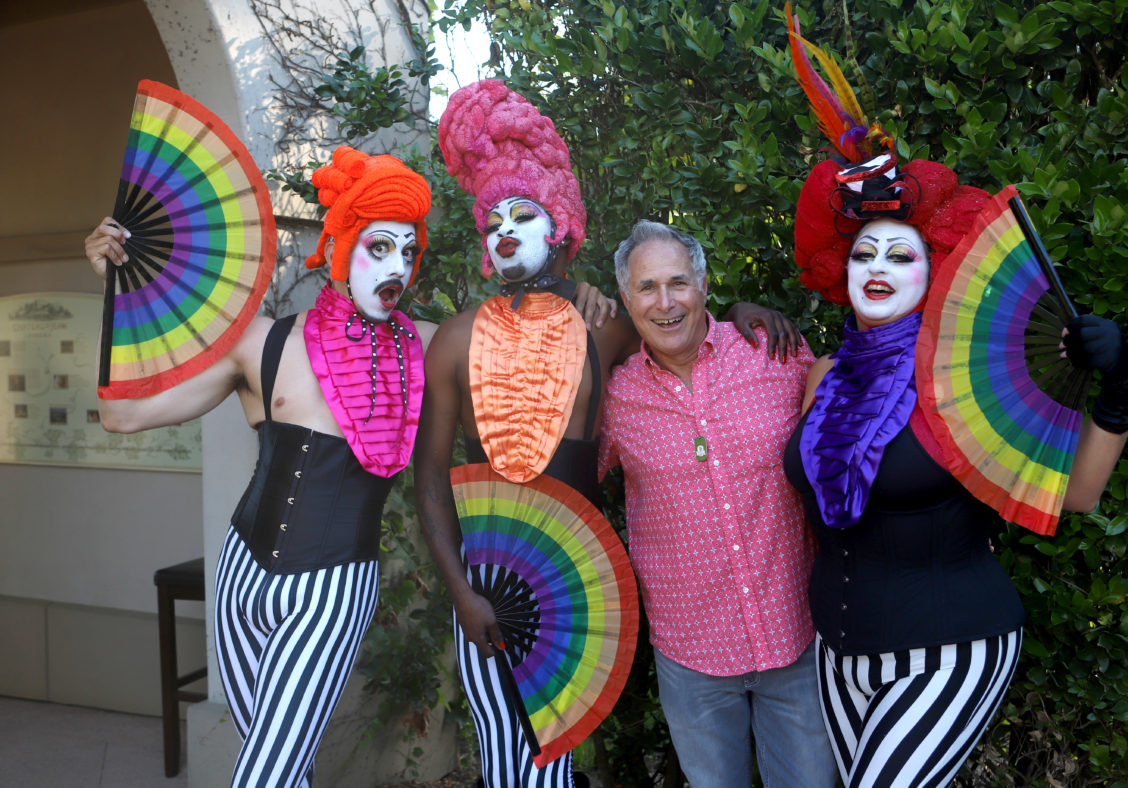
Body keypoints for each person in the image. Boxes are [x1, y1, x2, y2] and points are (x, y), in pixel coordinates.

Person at [416, 80, 794, 788]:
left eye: (523, 213)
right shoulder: (455, 341)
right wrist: (461, 591)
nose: (505, 230)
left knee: (559, 760)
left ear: (560, 226)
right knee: (505, 758)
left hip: (573, 584)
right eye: (493, 218)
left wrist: (743, 307)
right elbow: (430, 476)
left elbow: (679, 322)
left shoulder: (605, 327)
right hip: (487, 584)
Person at [781, 56, 1128, 785]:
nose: (878, 267)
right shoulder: (824, 376)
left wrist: (1120, 390)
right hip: (839, 653)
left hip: (949, 647)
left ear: (934, 271)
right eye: (864, 254)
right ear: (841, 271)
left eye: (900, 255)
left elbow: (1077, 494)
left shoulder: (966, 383)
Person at [85, 146, 438, 788]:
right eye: (380, 247)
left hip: (331, 590)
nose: (397, 267)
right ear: (341, 247)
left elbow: (510, 343)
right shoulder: (263, 342)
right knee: (282, 767)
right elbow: (120, 416)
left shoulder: (427, 349)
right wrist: (116, 287)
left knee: (264, 775)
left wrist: (575, 295)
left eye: (408, 252)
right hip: (241, 576)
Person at [597, 219, 838, 788]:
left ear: (704, 285)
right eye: (647, 288)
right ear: (627, 301)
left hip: (796, 639)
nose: (665, 302)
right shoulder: (614, 398)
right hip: (691, 655)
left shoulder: (775, 355)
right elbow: (566, 480)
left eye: (678, 283)